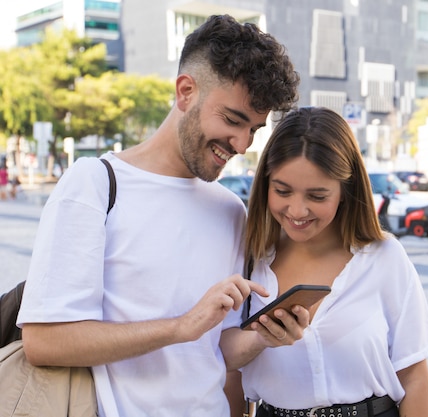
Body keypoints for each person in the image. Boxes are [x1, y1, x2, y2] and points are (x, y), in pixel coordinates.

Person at [17, 15, 305, 417]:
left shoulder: (230, 210)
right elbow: (45, 341)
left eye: (254, 130)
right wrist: (179, 327)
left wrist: (264, 337)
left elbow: (218, 353)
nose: (241, 144)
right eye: (233, 120)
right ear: (186, 92)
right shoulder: (95, 184)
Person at [239, 107, 428, 417]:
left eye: (317, 196)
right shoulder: (247, 258)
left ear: (345, 192)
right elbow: (226, 370)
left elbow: (414, 378)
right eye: (282, 191)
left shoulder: (384, 258)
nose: (297, 210)